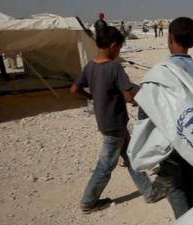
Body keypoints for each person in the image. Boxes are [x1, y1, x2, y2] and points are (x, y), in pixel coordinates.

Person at [70, 26, 164, 214]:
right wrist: (139, 97)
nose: (119, 52)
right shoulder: (114, 67)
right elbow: (129, 96)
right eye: (119, 48)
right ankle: (89, 201)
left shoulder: (90, 66)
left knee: (130, 158)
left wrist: (91, 97)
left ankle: (149, 192)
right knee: (105, 165)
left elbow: (74, 89)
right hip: (115, 123)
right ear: (113, 46)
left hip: (105, 121)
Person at [141, 17, 193, 219]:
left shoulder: (160, 70)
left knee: (176, 187)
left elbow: (148, 108)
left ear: (169, 38)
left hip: (171, 140)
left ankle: (185, 219)